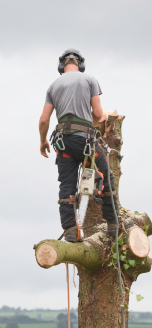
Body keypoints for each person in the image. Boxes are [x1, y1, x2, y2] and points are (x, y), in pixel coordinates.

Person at [39, 49, 120, 242]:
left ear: (61, 66)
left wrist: (42, 141)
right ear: (80, 65)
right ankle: (113, 224)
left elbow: (44, 120)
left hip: (63, 143)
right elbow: (99, 114)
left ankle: (70, 230)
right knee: (107, 176)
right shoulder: (90, 79)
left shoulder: (52, 86)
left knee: (67, 185)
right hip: (84, 141)